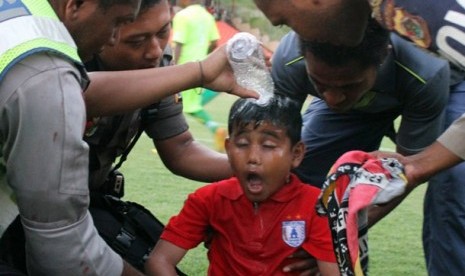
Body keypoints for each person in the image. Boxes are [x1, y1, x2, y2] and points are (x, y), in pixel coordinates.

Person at [0, 0, 259, 274]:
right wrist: (198, 73)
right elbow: (64, 243)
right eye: (133, 38)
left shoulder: (35, 24)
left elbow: (180, 147)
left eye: (162, 32)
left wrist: (251, 167)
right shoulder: (53, 62)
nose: (155, 51)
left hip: (78, 203)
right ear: (76, 9)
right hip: (27, 211)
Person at [144, 95, 340, 276]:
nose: (253, 158)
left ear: (296, 154)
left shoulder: (316, 205)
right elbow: (159, 261)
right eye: (243, 144)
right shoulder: (208, 199)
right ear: (228, 149)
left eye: (269, 146)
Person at [271, 20, 449, 189]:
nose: (332, 100)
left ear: (382, 58)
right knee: (299, 164)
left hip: (445, 87)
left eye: (348, 85)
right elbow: (275, 140)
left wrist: (353, 219)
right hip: (362, 105)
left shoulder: (426, 72)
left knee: (452, 181)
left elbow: (409, 171)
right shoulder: (289, 58)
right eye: (320, 83)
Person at [172, 0, 226, 152]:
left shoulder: (182, 16)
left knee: (187, 106)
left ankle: (215, 129)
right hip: (201, 67)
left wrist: (171, 67)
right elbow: (215, 43)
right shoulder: (207, 17)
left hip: (185, 69)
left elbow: (179, 44)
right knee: (188, 105)